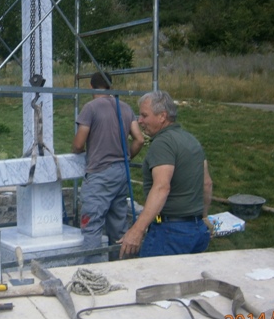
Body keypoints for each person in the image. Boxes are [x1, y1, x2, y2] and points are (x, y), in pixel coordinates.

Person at [119, 90, 213, 259]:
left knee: (152, 282)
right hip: (196, 229)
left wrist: (137, 230)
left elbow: (162, 187)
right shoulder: (191, 140)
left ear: (162, 116)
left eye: (144, 115)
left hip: (170, 233)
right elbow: (206, 184)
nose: (139, 121)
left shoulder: (162, 144)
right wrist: (204, 217)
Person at [72, 72, 144, 263]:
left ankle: (93, 274)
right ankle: (121, 268)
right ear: (111, 86)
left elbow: (79, 144)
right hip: (121, 173)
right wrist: (126, 157)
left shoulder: (91, 108)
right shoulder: (125, 107)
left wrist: (76, 148)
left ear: (91, 86)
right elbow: (139, 139)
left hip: (100, 174)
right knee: (118, 225)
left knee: (92, 224)